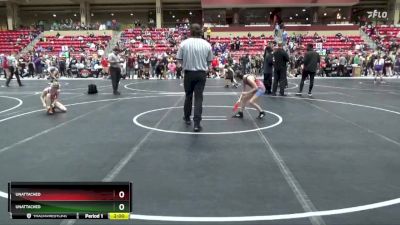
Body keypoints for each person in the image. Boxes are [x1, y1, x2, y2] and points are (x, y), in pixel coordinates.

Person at [177, 23, 213, 132]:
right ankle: (197, 124)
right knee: (198, 98)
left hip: (188, 73)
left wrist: (186, 64)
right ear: (200, 31)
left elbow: (179, 59)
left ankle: (187, 118)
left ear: (190, 31)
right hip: (201, 74)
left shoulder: (184, 44)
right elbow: (210, 61)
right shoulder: (207, 44)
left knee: (188, 96)